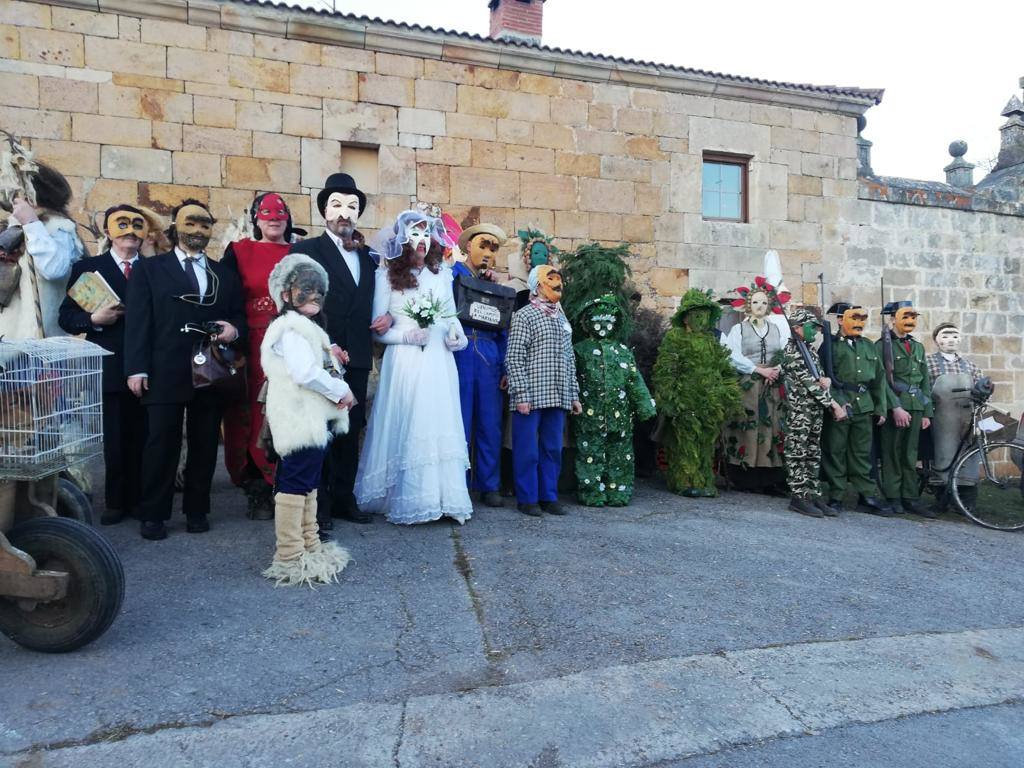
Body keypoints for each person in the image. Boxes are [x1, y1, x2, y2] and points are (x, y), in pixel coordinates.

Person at [124, 199, 245, 540]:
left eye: (205, 225)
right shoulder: (150, 269)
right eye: (190, 224)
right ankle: (154, 514)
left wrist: (234, 330)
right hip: (164, 369)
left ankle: (197, 510)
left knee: (206, 444)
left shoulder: (223, 274)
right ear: (176, 227)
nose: (198, 231)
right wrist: (136, 368)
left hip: (210, 372)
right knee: (161, 443)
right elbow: (137, 322)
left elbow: (238, 316)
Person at [354, 210, 471, 525]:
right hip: (405, 361)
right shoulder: (386, 276)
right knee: (410, 421)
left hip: (437, 360)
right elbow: (379, 328)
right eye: (414, 235)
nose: (421, 242)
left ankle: (444, 497)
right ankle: (410, 497)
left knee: (437, 421)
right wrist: (405, 335)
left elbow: (449, 315)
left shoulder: (441, 274)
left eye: (425, 235)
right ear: (403, 241)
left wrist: (455, 334)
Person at [288, 173, 391, 527]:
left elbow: (379, 299)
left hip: (358, 354)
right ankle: (321, 506)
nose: (344, 213)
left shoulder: (368, 257)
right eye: (337, 206)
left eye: (352, 207)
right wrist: (319, 342)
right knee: (323, 428)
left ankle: (346, 498)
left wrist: (387, 317)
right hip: (322, 354)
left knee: (351, 425)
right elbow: (293, 303)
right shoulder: (304, 251)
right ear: (324, 212)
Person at [260, 253, 353, 586]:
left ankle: (309, 543)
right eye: (306, 288)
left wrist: (333, 356)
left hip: (308, 419)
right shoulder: (291, 328)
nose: (314, 295)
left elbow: (314, 365)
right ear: (286, 294)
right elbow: (304, 372)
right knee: (297, 482)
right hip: (299, 419)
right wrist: (340, 389)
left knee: (308, 481)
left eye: (320, 291)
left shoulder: (305, 329)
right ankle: (289, 554)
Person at [58, 204, 148, 525]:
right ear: (109, 232)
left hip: (147, 365)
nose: (131, 234)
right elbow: (66, 316)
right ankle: (116, 500)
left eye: (137, 227)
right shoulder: (88, 268)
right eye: (122, 227)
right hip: (110, 365)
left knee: (143, 435)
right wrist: (93, 319)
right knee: (115, 436)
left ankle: (139, 500)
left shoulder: (153, 269)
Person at [220, 192, 297, 520]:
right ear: (256, 219)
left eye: (280, 213)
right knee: (251, 411)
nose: (274, 218)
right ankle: (256, 486)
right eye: (266, 213)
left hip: (291, 342)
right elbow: (226, 295)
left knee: (288, 408)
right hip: (251, 345)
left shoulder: (300, 252)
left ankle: (288, 481)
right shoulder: (239, 251)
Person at [505, 265, 582, 516]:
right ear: (537, 286)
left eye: (560, 280)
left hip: (558, 395)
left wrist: (573, 395)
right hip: (531, 395)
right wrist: (521, 395)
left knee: (552, 449)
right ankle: (527, 499)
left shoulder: (562, 319)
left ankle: (549, 496)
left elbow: (569, 358)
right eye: (552, 280)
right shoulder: (524, 316)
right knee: (527, 450)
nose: (558, 284)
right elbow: (514, 357)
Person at [653, 288, 742, 497]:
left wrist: (726, 394)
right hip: (685, 401)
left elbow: (725, 368)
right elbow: (666, 370)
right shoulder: (675, 338)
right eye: (696, 313)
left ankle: (703, 480)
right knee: (685, 442)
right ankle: (683, 481)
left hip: (709, 404)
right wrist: (669, 398)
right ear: (685, 318)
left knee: (705, 444)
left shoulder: (712, 341)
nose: (702, 318)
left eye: (705, 313)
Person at [571, 294, 656, 506]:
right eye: (598, 321)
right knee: (591, 453)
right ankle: (591, 490)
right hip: (590, 416)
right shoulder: (580, 350)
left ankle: (619, 490)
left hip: (620, 417)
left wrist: (645, 406)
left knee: (621, 454)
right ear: (588, 322)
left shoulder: (622, 352)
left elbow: (634, 380)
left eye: (608, 321)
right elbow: (570, 378)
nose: (603, 326)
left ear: (615, 323)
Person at [452, 222, 508, 508]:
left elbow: (503, 329)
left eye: (492, 248)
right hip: (461, 350)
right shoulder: (453, 277)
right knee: (459, 420)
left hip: (488, 352)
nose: (487, 253)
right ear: (467, 248)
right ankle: (457, 483)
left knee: (490, 422)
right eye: (482, 246)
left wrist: (505, 366)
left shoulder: (495, 286)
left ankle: (488, 483)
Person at [819, 303, 891, 515]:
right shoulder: (829, 346)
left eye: (862, 319)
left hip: (864, 406)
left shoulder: (868, 346)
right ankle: (836, 495)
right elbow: (824, 377)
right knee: (836, 451)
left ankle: (866, 495)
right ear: (840, 320)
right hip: (839, 406)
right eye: (854, 318)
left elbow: (879, 379)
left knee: (861, 453)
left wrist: (881, 407)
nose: (859, 323)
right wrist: (836, 402)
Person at [0, 162, 84, 339]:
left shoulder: (58, 227)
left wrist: (31, 223)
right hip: (7, 339)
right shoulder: (9, 229)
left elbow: (53, 270)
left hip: (40, 341)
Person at [720, 276, 790, 490]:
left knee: (770, 428)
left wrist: (776, 369)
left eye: (764, 302)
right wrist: (759, 370)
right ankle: (743, 477)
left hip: (772, 385)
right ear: (748, 305)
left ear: (769, 306)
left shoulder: (777, 329)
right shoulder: (738, 329)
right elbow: (732, 355)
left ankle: (768, 478)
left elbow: (785, 353)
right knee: (746, 427)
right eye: (756, 302)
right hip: (748, 383)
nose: (760, 306)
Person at [778, 307, 848, 518]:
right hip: (799, 411)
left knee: (812, 454)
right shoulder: (792, 352)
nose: (815, 331)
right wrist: (834, 405)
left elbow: (821, 380)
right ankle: (799, 496)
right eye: (811, 327)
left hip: (814, 410)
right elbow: (811, 385)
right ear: (797, 328)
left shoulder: (810, 351)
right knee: (797, 453)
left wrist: (826, 380)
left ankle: (813, 493)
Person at [877, 301, 933, 516]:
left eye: (913, 317)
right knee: (892, 452)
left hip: (917, 406)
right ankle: (893, 496)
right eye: (905, 316)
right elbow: (882, 381)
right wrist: (895, 407)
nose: (910, 321)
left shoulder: (917, 346)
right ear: (892, 319)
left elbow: (925, 380)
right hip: (897, 406)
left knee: (911, 454)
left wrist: (927, 411)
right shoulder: (881, 345)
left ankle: (910, 497)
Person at [926, 323, 985, 514]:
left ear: (960, 339)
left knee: (968, 458)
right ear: (936, 340)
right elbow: (923, 390)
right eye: (945, 336)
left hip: (967, 418)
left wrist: (984, 391)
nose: (950, 340)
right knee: (943, 458)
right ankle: (942, 500)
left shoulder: (971, 366)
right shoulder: (927, 363)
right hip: (942, 418)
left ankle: (966, 502)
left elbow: (982, 392)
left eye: (954, 336)